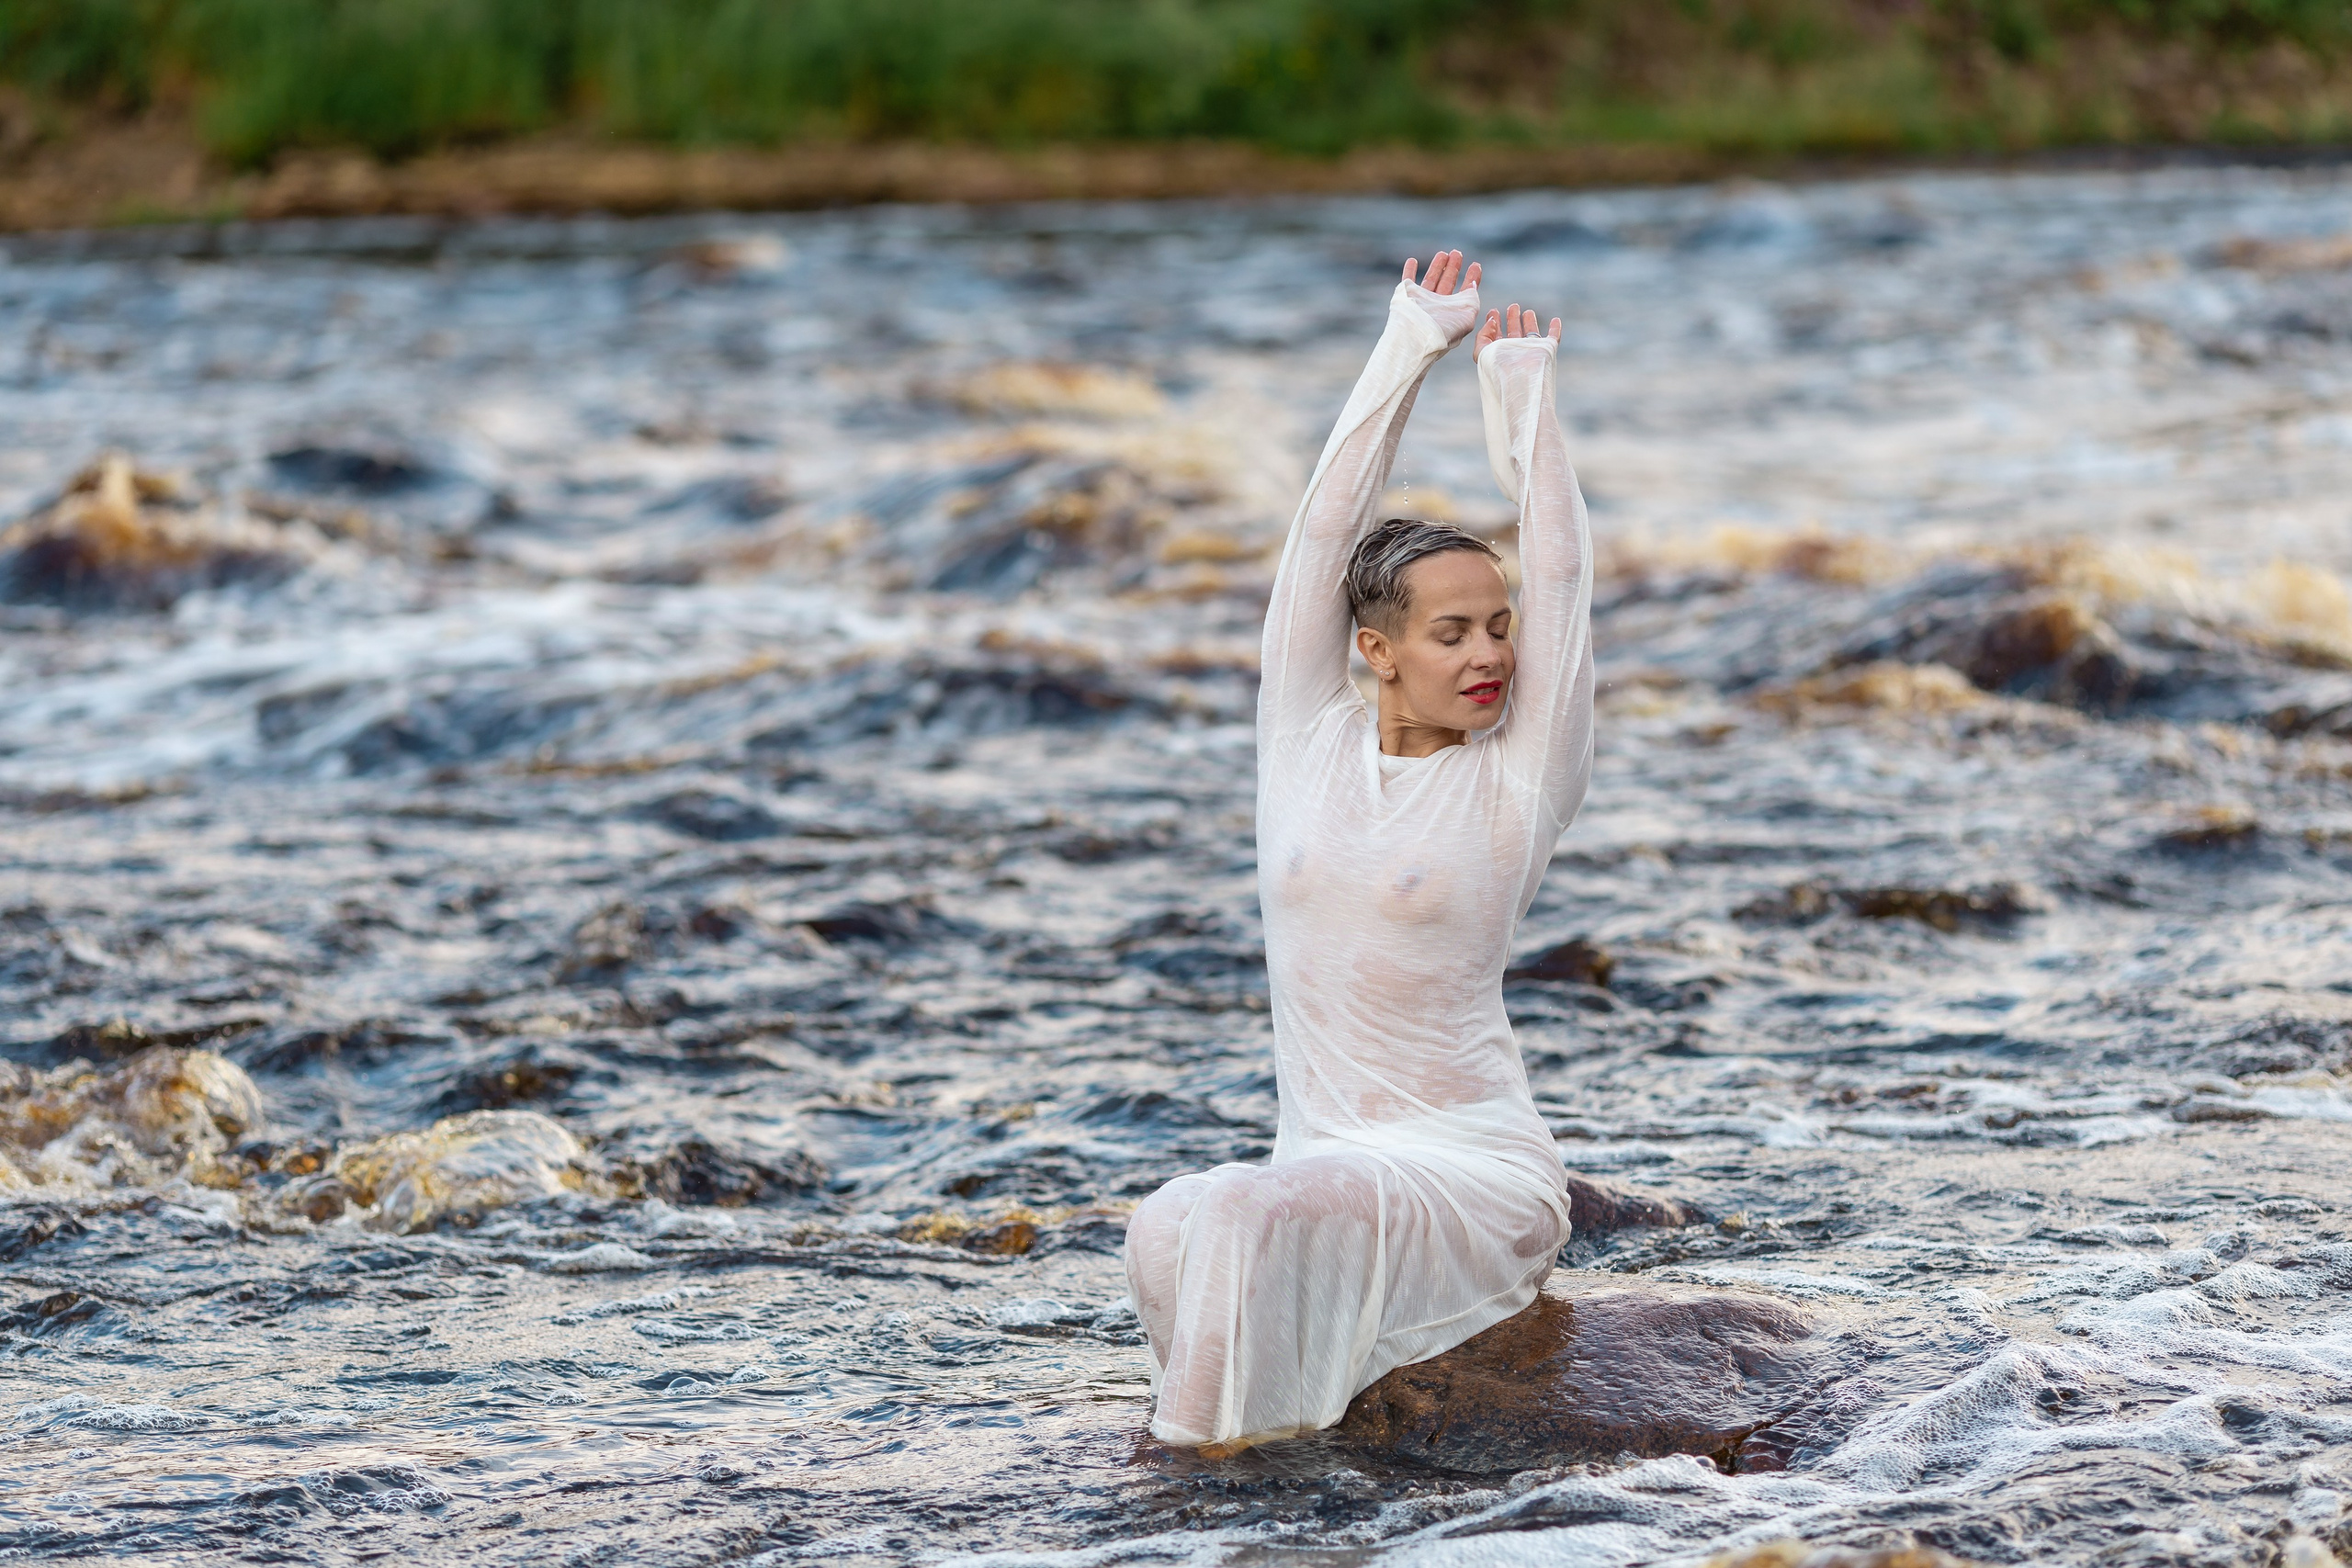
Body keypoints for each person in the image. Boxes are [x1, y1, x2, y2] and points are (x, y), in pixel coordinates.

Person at [1123, 247, 1596, 1450]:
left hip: (1471, 1173)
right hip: (1322, 1164)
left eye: (1498, 627)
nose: (1490, 654)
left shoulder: (1518, 778)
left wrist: (1526, 405)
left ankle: (1183, 1483)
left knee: (1235, 1211)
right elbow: (1317, 538)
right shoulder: (1302, 740)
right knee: (1165, 1222)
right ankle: (1253, 1457)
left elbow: (1565, 575)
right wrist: (1410, 345)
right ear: (1376, 650)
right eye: (1453, 632)